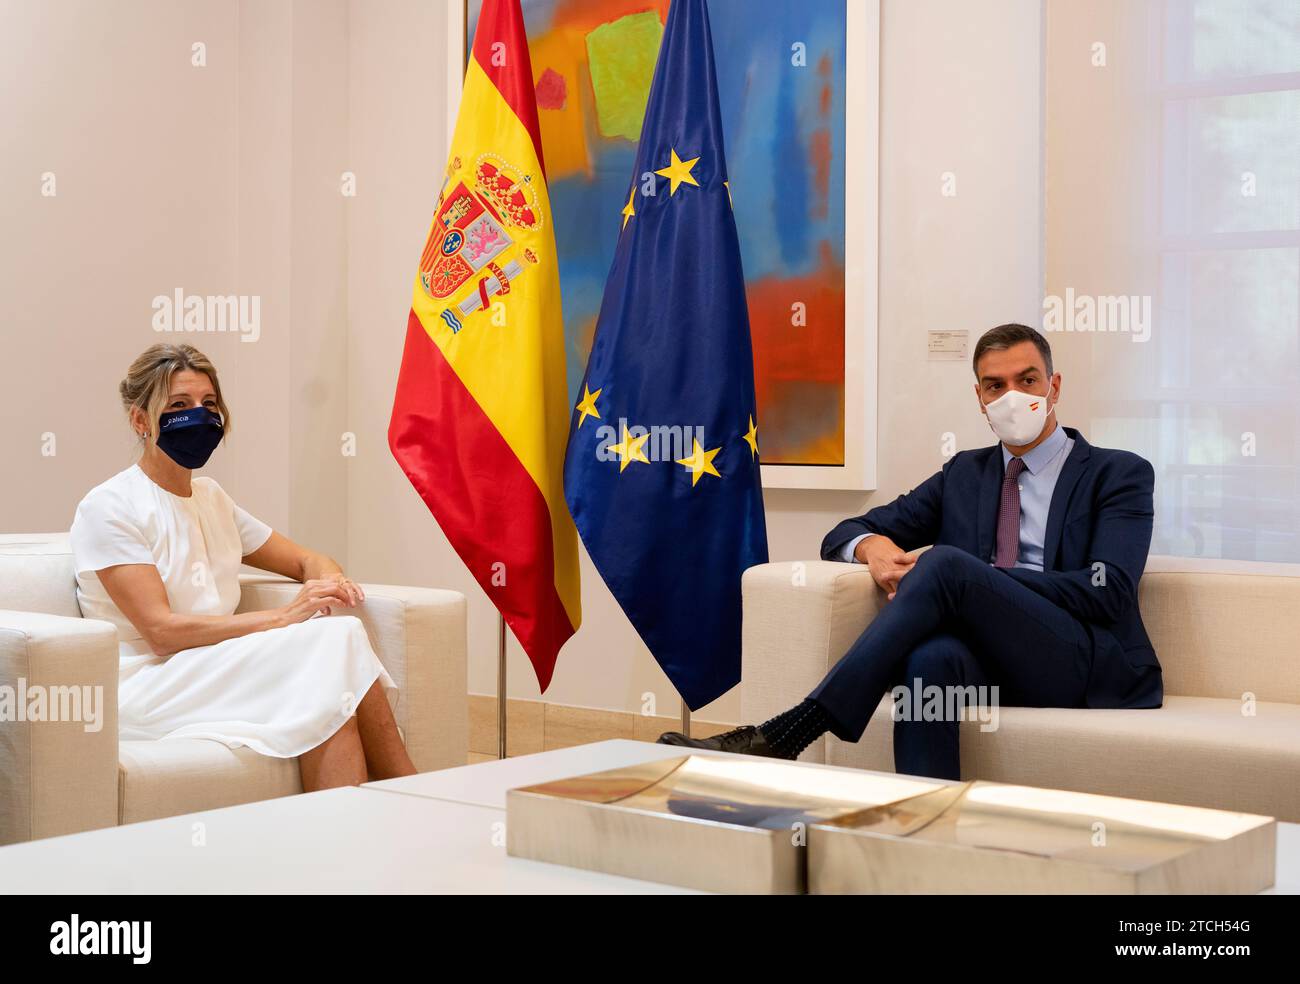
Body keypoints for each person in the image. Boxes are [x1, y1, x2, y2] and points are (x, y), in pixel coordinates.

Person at [658, 323, 1162, 779]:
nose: (1012, 396)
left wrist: (977, 579)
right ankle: (924, 827)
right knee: (930, 658)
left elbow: (1109, 590)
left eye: (1027, 381)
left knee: (945, 563)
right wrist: (872, 546)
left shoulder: (1118, 473)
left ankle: (792, 729)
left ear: (1054, 387)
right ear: (979, 398)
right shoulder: (965, 473)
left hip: (1080, 660)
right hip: (991, 660)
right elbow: (845, 532)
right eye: (995, 386)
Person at [69, 343, 417, 792]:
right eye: (179, 405)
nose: (199, 415)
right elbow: (161, 632)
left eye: (208, 404)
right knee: (336, 641)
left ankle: (355, 836)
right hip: (147, 682)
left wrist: (331, 582)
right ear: (140, 421)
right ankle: (412, 792)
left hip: (216, 664)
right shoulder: (110, 506)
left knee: (328, 691)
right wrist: (283, 617)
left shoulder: (211, 498)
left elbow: (304, 559)